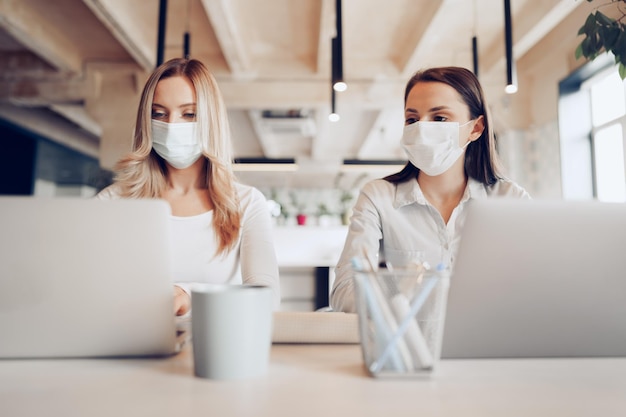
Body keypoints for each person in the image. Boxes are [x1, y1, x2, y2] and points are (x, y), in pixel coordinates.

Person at [330, 66, 530, 313]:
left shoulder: (510, 200)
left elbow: (534, 286)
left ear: (476, 128)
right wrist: (402, 297)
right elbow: (345, 291)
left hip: (488, 347)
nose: (422, 128)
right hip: (407, 347)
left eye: (439, 118)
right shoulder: (378, 197)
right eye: (412, 119)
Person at [97, 58, 280, 315]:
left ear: (210, 120)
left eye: (189, 114)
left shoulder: (247, 203)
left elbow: (267, 297)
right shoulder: (113, 202)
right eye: (159, 114)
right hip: (129, 343)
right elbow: (87, 287)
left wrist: (189, 294)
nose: (172, 126)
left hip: (215, 346)